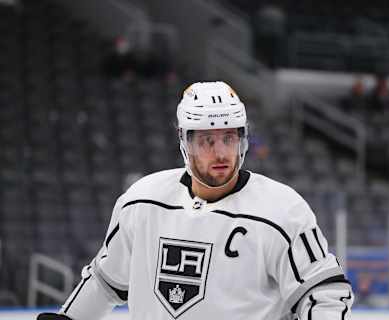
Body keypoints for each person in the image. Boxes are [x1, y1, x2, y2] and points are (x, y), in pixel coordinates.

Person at [37, 81, 353, 320]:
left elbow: (324, 292)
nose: (220, 153)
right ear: (185, 142)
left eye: (229, 138)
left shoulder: (282, 210)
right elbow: (105, 282)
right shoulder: (141, 202)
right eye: (207, 140)